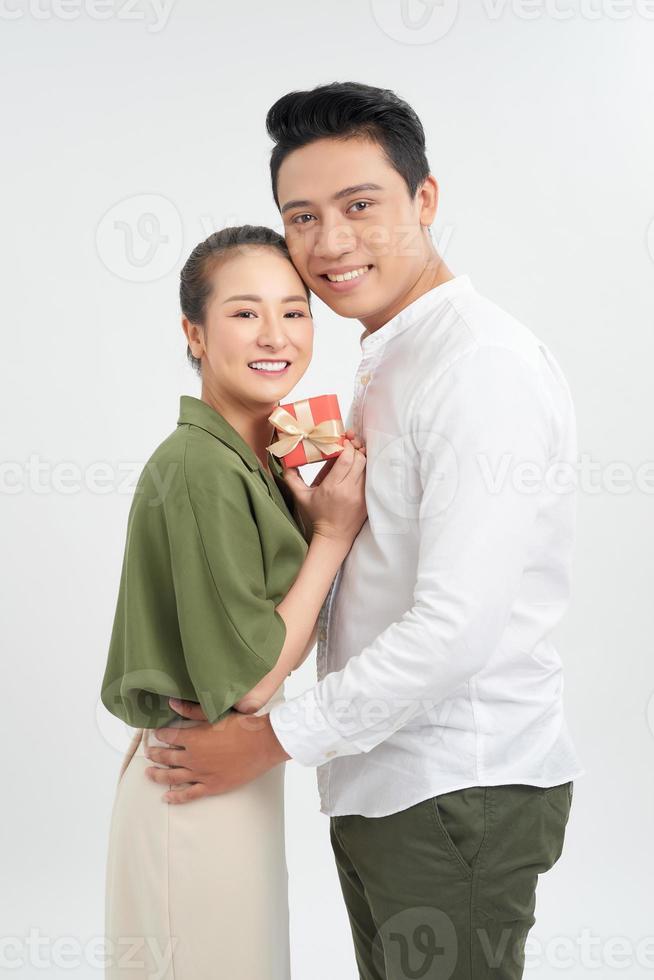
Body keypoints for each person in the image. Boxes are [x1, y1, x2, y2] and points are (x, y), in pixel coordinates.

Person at [143, 84, 586, 979]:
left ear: (424, 201)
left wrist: (267, 739)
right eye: (300, 217)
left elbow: (455, 631)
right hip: (386, 782)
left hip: (459, 787)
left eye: (360, 206)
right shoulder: (387, 355)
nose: (330, 243)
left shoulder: (478, 368)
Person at [100, 223, 367, 980]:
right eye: (245, 313)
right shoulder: (199, 465)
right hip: (194, 784)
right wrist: (332, 537)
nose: (276, 334)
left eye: (295, 310)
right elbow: (250, 682)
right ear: (194, 331)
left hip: (225, 780)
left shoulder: (257, 454)